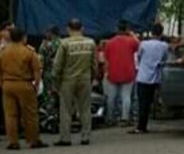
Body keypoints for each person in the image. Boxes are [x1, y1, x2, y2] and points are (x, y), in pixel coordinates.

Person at [0, 27, 47, 150]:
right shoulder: (28, 52)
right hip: (24, 84)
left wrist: (2, 83)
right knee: (30, 113)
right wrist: (36, 84)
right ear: (23, 38)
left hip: (7, 84)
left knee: (10, 115)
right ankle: (33, 140)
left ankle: (13, 141)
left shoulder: (3, 52)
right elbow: (36, 70)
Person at [53, 18, 97, 146]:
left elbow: (57, 65)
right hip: (85, 79)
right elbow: (94, 64)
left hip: (68, 80)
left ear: (68, 29)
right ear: (82, 29)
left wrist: (56, 82)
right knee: (85, 108)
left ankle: (65, 138)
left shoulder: (64, 43)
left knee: (66, 109)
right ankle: (85, 136)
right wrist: (92, 77)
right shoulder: (91, 43)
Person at [130, 23, 169, 134]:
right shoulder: (164, 45)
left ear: (151, 32)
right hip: (156, 76)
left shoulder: (143, 44)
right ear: (161, 33)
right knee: (150, 101)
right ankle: (144, 125)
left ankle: (141, 126)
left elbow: (139, 56)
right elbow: (165, 58)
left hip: (143, 76)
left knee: (142, 102)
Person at [102, 20, 140, 126]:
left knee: (111, 97)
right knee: (126, 97)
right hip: (128, 72)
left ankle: (110, 118)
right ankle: (124, 118)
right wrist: (132, 35)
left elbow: (106, 60)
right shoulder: (131, 42)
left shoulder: (109, 43)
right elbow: (140, 47)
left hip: (112, 73)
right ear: (127, 29)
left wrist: (106, 72)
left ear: (117, 29)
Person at [38, 26, 61, 98]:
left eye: (48, 32)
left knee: (48, 93)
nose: (46, 34)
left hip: (48, 73)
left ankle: (49, 106)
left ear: (52, 33)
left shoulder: (44, 45)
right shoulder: (64, 43)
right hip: (61, 73)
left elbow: (41, 60)